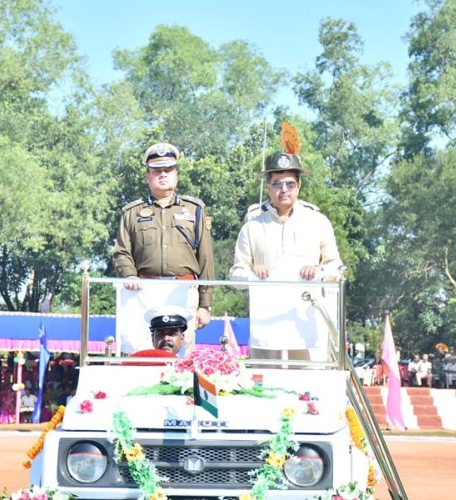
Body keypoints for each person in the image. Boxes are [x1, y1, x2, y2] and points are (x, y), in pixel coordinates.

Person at [229, 150, 342, 361]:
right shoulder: (252, 226)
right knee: (265, 386)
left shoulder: (318, 221)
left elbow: (337, 266)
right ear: (268, 188)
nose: (284, 190)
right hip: (267, 327)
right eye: (277, 184)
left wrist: (320, 270)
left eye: (290, 184)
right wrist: (252, 273)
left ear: (299, 186)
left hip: (307, 326)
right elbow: (235, 275)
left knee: (308, 388)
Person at [113, 143, 215, 353]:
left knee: (183, 354)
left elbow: (205, 259)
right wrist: (129, 275)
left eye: (168, 170)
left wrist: (205, 305)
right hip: (143, 293)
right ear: (147, 176)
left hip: (183, 291)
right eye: (156, 171)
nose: (163, 175)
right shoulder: (132, 212)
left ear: (176, 174)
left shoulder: (194, 210)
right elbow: (122, 251)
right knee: (142, 351)